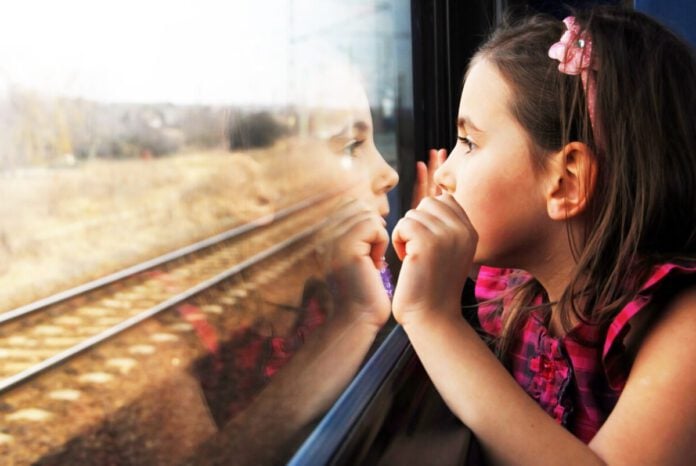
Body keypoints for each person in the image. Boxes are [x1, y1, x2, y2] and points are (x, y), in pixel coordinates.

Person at [389, 5, 696, 465]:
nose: (445, 173)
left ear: (567, 182)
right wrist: (413, 263)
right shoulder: (512, 291)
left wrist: (434, 318)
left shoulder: (681, 324)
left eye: (469, 143)